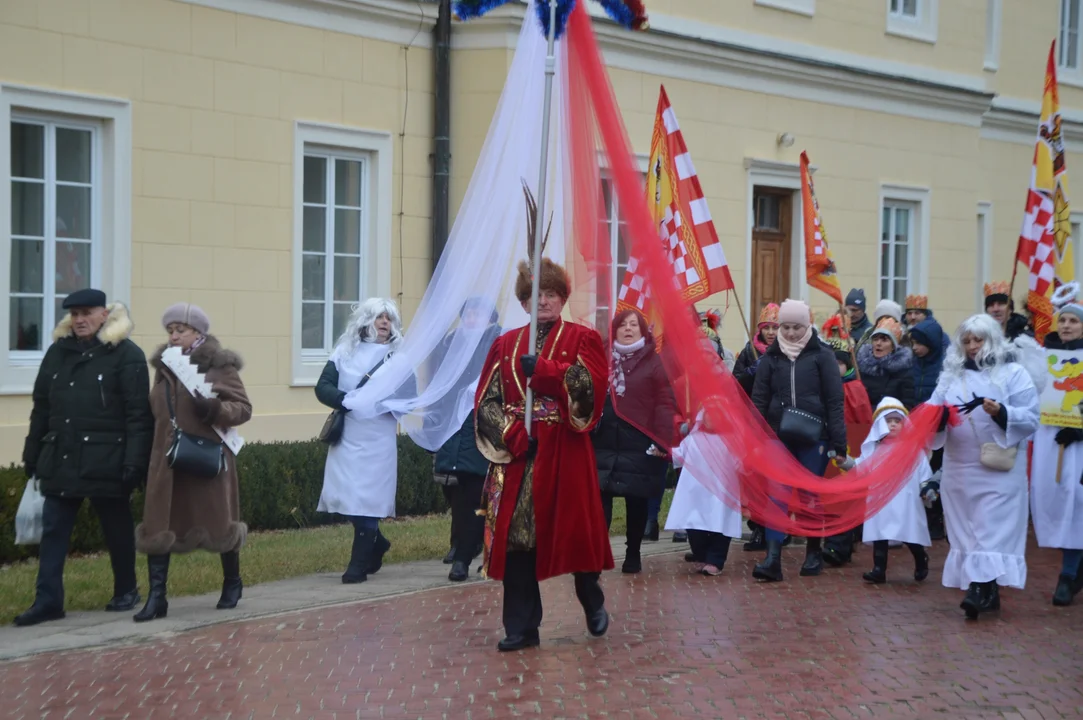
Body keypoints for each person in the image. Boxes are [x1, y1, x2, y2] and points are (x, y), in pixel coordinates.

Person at [474, 204, 612, 652]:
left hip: (566, 456)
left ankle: (590, 597)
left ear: (562, 297)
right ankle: (521, 627)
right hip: (522, 456)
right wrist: (514, 437)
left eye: (551, 293)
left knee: (573, 539)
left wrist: (549, 372)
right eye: (536, 295)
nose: (545, 301)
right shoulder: (504, 344)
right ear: (523, 302)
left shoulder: (583, 339)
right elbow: (486, 402)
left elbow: (591, 394)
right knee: (518, 544)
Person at [15, 289, 153, 627]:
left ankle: (126, 591)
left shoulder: (127, 355)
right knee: (53, 532)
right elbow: (42, 408)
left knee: (117, 530)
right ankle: (48, 602)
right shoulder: (56, 353)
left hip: (108, 460)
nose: (79, 320)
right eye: (74, 314)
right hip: (61, 456)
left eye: (86, 313)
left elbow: (139, 415)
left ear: (104, 314)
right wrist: (32, 453)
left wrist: (134, 463)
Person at [134, 304, 253, 621]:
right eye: (170, 331)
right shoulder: (164, 367)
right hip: (167, 460)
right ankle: (157, 598)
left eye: (180, 330)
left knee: (220, 523)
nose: (173, 336)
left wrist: (214, 409)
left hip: (205, 458)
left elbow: (242, 408)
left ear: (198, 333)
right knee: (159, 525)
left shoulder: (219, 366)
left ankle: (232, 582)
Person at [930, 314, 1040, 620]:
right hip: (959, 467)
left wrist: (1002, 412)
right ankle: (987, 590)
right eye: (966, 341)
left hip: (999, 469)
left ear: (991, 339)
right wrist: (936, 420)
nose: (972, 346)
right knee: (967, 528)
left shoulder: (1013, 373)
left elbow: (1031, 417)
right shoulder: (950, 376)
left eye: (978, 340)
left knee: (991, 527)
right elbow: (932, 410)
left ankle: (978, 589)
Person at [749, 299, 847, 582]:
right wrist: (757, 435)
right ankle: (773, 558)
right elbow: (759, 399)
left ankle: (814, 552)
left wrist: (837, 443)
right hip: (778, 436)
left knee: (809, 495)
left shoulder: (822, 356)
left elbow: (834, 400)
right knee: (776, 495)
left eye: (797, 327)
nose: (791, 333)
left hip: (814, 435)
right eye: (786, 327)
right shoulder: (770, 357)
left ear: (807, 326)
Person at [315, 298, 403, 584]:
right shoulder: (345, 351)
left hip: (378, 438)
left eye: (389, 318)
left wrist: (382, 403)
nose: (384, 323)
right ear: (365, 320)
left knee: (367, 499)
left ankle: (358, 564)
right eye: (379, 317)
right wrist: (346, 400)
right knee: (346, 498)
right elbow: (323, 386)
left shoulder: (397, 358)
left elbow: (408, 397)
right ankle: (376, 543)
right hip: (349, 434)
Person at [594, 310, 676, 574]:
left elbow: (664, 403)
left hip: (639, 441)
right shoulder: (602, 360)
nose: (628, 329)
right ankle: (599, 552)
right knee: (600, 497)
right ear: (614, 330)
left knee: (636, 500)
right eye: (623, 325)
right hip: (604, 441)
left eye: (634, 325)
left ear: (643, 331)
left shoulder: (653, 362)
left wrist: (663, 439)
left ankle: (633, 552)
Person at [432, 298, 502, 582]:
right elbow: (440, 386)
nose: (472, 318)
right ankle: (465, 545)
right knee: (457, 494)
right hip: (454, 430)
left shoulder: (497, 343)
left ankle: (463, 556)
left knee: (476, 493)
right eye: (468, 314)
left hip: (482, 428)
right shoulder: (451, 344)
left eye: (479, 313)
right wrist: (433, 425)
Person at [839, 397, 932, 584]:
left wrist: (926, 488)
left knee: (910, 533)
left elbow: (924, 471)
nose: (893, 425)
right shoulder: (875, 449)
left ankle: (921, 559)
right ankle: (878, 569)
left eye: (897, 421)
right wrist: (846, 462)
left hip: (906, 500)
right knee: (880, 534)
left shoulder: (912, 449)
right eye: (888, 421)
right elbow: (861, 467)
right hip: (880, 500)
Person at [1030, 291, 1083, 606]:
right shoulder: (1041, 357)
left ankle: (1068, 574)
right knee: (1053, 499)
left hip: (1078, 445)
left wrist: (1079, 429)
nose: (1066, 325)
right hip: (1050, 441)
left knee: (1076, 505)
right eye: (1062, 319)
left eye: (1073, 321)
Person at [665, 410, 743, 576]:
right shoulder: (693, 439)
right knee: (694, 523)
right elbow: (679, 454)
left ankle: (715, 559)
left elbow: (740, 462)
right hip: (696, 492)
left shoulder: (731, 440)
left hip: (722, 492)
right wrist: (664, 451)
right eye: (708, 414)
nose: (711, 418)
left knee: (720, 524)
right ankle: (700, 555)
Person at [909, 315, 948, 540]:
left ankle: (935, 519)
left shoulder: (944, 367)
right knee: (919, 473)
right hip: (917, 427)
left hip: (940, 429)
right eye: (913, 343)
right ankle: (921, 517)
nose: (915, 348)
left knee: (936, 473)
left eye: (920, 343)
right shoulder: (912, 365)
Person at [856, 318, 916, 410]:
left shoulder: (903, 372)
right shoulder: (862, 367)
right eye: (875, 339)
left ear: (893, 346)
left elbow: (907, 404)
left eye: (884, 340)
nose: (878, 343)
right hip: (863, 420)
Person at [734, 303, 779, 398]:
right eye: (766, 328)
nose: (770, 332)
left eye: (775, 328)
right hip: (753, 405)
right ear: (760, 330)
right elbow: (735, 384)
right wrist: (750, 372)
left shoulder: (788, 351)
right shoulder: (749, 351)